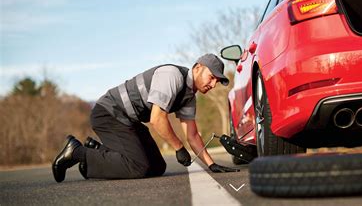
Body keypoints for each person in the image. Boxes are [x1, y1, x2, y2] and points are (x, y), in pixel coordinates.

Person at [52, 53, 239, 182]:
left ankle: (97, 154)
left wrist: (212, 164)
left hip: (129, 120)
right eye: (211, 77)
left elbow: (193, 135)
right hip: (109, 113)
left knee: (157, 167)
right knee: (138, 167)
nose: (213, 84)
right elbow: (158, 119)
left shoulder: (189, 97)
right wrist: (178, 148)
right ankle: (77, 152)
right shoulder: (172, 76)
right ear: (197, 68)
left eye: (217, 81)